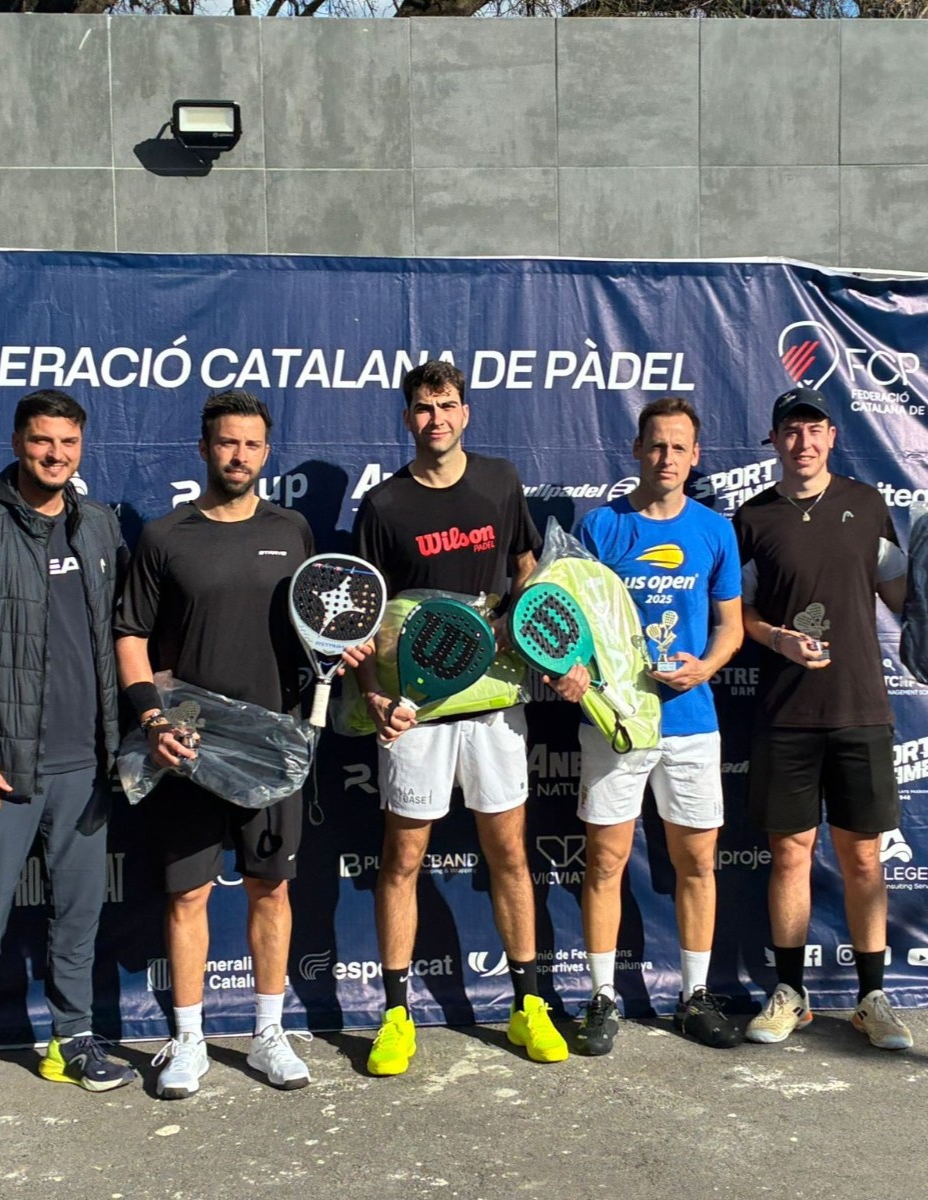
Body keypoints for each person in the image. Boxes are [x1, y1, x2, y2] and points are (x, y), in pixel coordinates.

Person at [735, 387, 928, 1050]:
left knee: (865, 858)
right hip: (784, 714)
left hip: (861, 710)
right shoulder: (752, 517)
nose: (803, 442)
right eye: (791, 431)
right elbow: (740, 614)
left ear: (832, 437)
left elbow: (910, 600)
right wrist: (777, 638)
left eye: (814, 429)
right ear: (775, 441)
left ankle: (872, 999)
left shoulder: (866, 505)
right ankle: (791, 994)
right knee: (789, 855)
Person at [115, 390, 348, 1098]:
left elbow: (319, 627)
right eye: (226, 442)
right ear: (204, 449)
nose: (238, 455)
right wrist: (154, 722)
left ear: (265, 453)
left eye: (250, 444)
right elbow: (131, 636)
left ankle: (269, 1033)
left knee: (270, 889)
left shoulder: (294, 530)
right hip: (188, 743)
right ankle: (187, 1040)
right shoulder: (165, 536)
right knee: (187, 895)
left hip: (273, 746)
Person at [0, 390, 135, 1129]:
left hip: (87, 767)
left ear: (82, 447)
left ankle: (73, 1040)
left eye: (68, 443)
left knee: (78, 916)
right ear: (17, 442)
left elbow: (120, 639)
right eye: (43, 441)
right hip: (0, 770)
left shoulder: (98, 524)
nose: (55, 455)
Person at [352, 360, 568, 1076]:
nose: (436, 418)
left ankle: (527, 1004)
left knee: (509, 854)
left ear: (466, 413)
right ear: (407, 418)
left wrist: (517, 619)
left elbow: (527, 563)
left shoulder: (501, 482)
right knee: (402, 859)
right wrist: (374, 697)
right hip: (413, 710)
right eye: (423, 407)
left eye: (447, 405)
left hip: (494, 704)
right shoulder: (383, 505)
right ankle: (395, 1015)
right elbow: (363, 617)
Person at [568, 397, 743, 1055]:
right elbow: (571, 620)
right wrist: (576, 673)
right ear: (637, 450)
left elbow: (731, 627)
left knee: (696, 862)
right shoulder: (601, 527)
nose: (667, 458)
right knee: (606, 861)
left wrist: (706, 668)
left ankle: (695, 996)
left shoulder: (714, 531)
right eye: (657, 445)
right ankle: (601, 997)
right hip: (615, 720)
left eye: (679, 447)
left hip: (691, 722)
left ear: (695, 457)